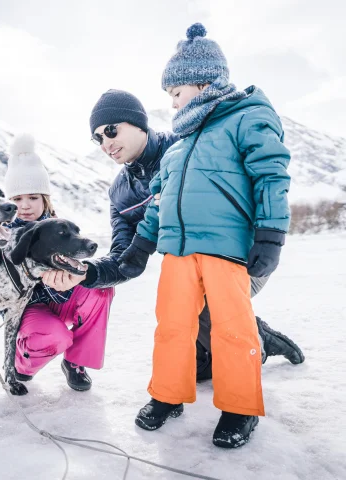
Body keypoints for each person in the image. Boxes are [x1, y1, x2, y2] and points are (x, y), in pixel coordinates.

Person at [122, 23, 293, 447]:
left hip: (226, 250)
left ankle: (239, 407)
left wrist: (270, 234)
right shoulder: (178, 145)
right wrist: (141, 245)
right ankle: (168, 396)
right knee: (173, 327)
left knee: (232, 329)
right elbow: (159, 201)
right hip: (178, 253)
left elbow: (271, 175)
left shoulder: (247, 117)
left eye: (175, 92)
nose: (172, 101)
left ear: (202, 81)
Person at [86, 93, 303, 381]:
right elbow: (124, 255)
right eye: (97, 138)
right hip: (190, 271)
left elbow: (264, 175)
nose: (106, 143)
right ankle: (219, 347)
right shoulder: (119, 194)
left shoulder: (185, 147)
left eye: (111, 130)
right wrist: (87, 273)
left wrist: (269, 237)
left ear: (139, 123)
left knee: (197, 300)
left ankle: (257, 340)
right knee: (184, 312)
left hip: (244, 258)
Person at [4, 135, 115, 391]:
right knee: (54, 337)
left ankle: (76, 362)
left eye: (32, 197)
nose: (25, 206)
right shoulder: (2, 235)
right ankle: (23, 361)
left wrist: (73, 278)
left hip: (60, 299)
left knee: (99, 290)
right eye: (17, 199)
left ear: (45, 198)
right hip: (25, 309)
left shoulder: (61, 228)